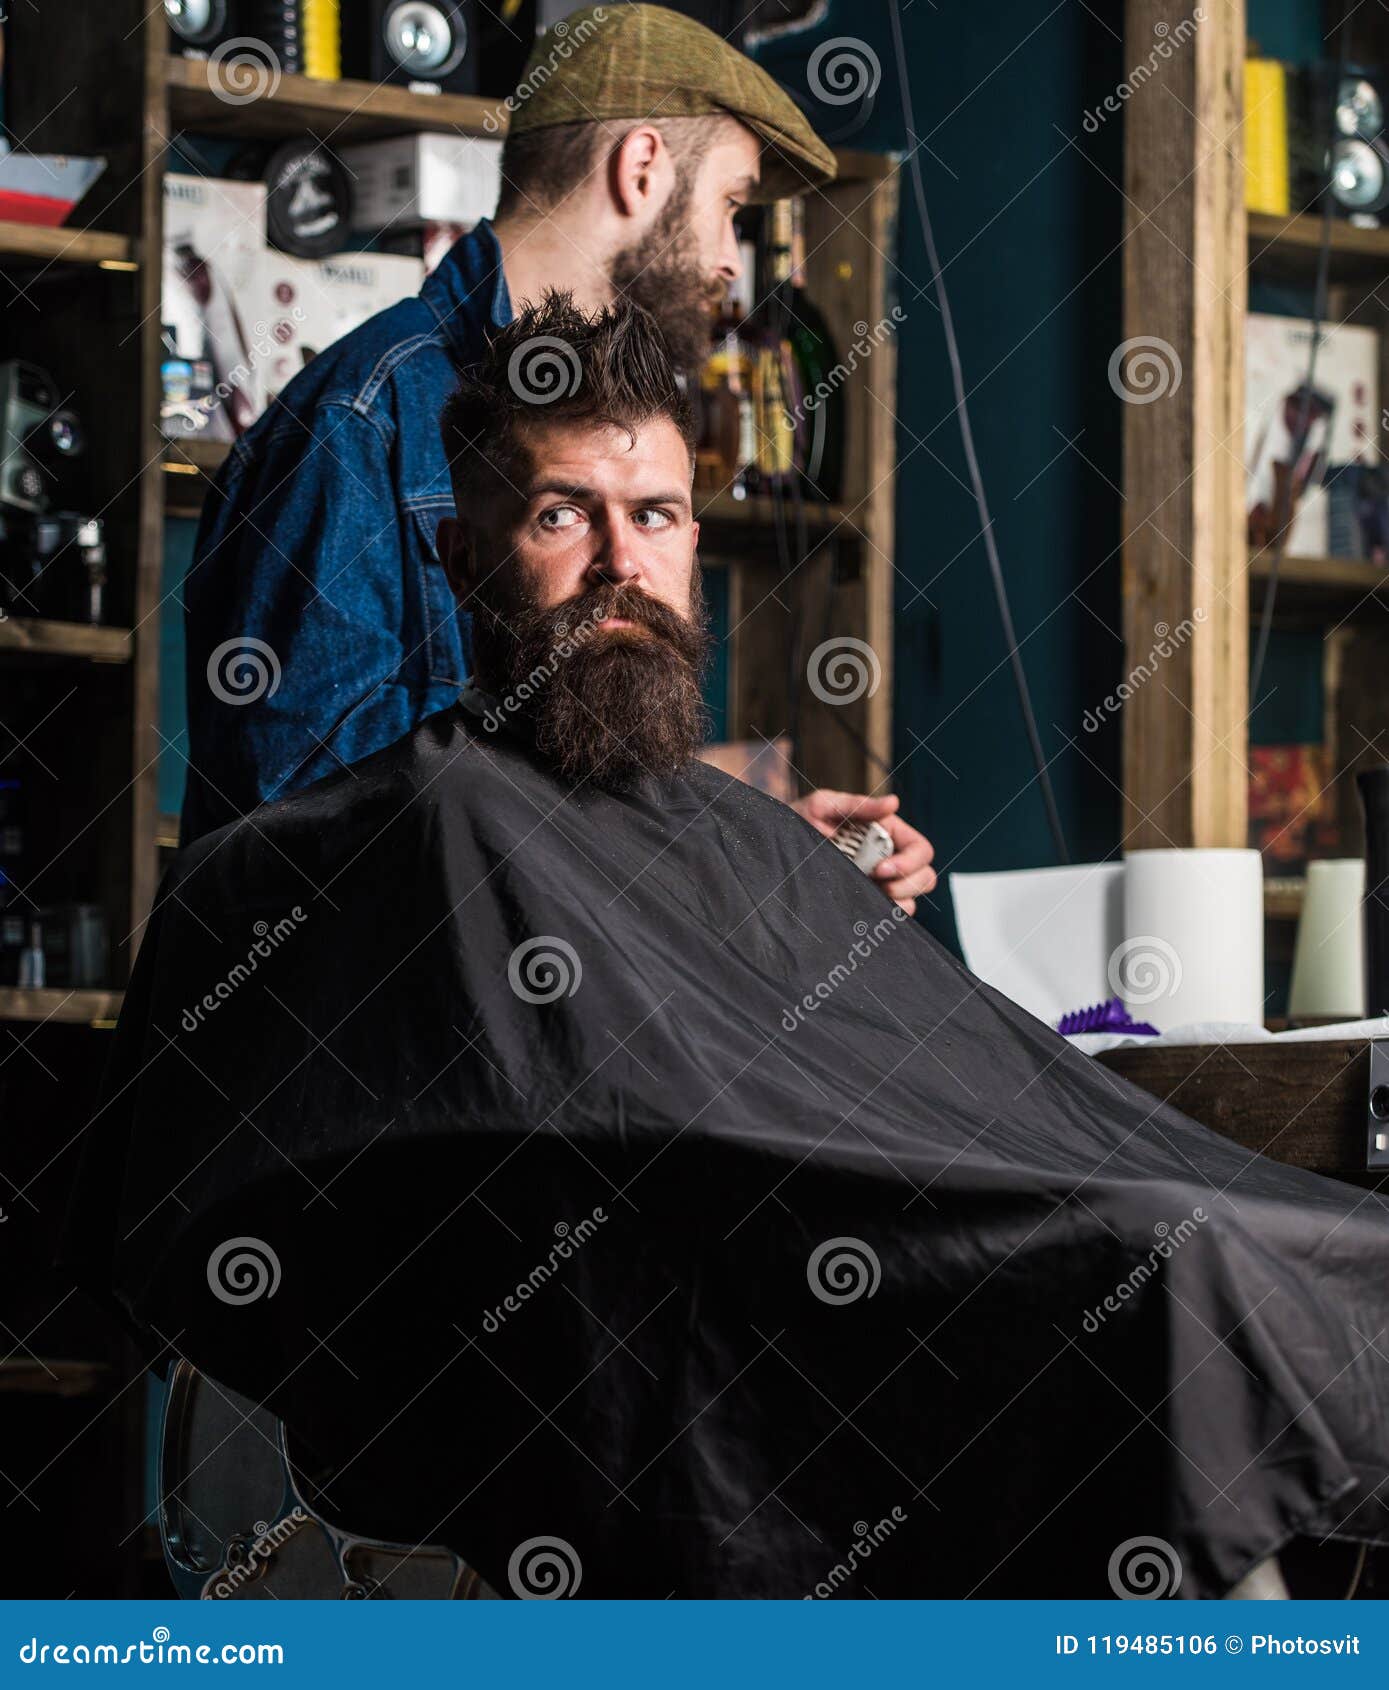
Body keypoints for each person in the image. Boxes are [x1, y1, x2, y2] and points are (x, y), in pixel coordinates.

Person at [69, 296, 1389, 1600]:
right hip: (724, 1324)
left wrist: (776, 912)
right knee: (1177, 1261)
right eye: (557, 514)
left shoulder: (743, 837)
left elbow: (847, 1081)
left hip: (882, 1254)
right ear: (461, 557)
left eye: (652, 515)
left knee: (1315, 1239)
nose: (617, 561)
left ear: (694, 540)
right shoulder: (429, 824)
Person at [179, 3, 935, 915]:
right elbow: (311, 834)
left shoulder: (594, 431)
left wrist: (751, 850)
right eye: (731, 206)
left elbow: (538, 792)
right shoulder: (362, 422)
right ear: (642, 167)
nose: (733, 261)